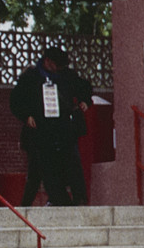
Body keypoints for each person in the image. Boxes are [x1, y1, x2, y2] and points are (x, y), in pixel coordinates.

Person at [10, 46, 93, 206]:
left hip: (63, 129)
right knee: (44, 169)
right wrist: (26, 116)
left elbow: (84, 87)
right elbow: (15, 101)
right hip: (41, 130)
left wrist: (85, 100)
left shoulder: (67, 75)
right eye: (57, 65)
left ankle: (80, 199)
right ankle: (56, 200)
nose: (59, 69)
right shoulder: (31, 77)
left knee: (73, 165)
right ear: (48, 61)